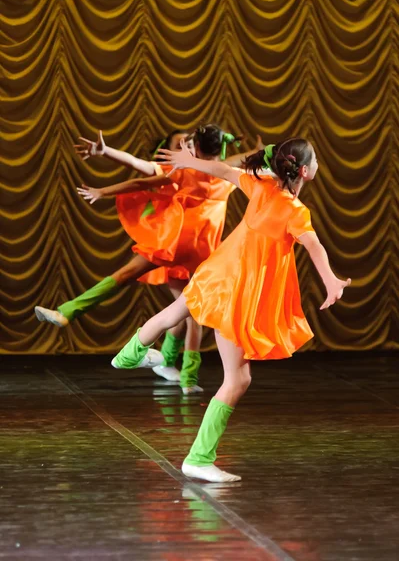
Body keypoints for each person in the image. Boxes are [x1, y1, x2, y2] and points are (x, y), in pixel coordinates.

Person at [110, 137, 351, 482]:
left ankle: (129, 355)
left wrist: (188, 161)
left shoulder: (260, 187)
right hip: (238, 294)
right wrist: (330, 280)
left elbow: (222, 169)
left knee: (174, 312)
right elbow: (313, 245)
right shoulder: (294, 210)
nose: (317, 166)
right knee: (238, 379)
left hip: (215, 275)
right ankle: (198, 458)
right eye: (315, 161)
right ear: (304, 172)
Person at [35, 126, 258, 393]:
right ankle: (186, 376)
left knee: (131, 280)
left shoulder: (183, 171)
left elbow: (138, 172)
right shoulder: (228, 176)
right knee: (191, 316)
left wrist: (105, 165)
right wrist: (258, 152)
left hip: (173, 246)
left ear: (195, 149)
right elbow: (242, 161)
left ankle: (69, 312)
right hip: (202, 254)